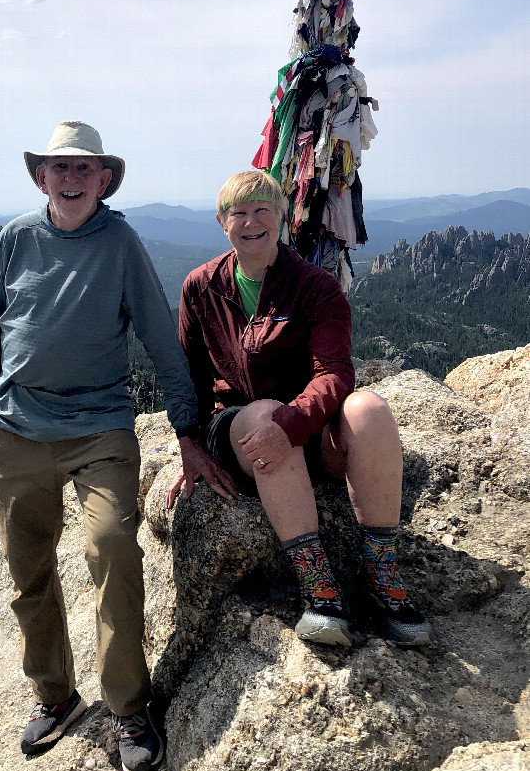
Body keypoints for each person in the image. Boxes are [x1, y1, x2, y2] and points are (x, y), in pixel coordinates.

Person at [0, 120, 233, 771]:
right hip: (16, 430)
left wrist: (188, 433)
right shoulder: (14, 240)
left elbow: (160, 339)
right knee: (27, 572)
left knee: (112, 546)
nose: (71, 177)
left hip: (99, 429)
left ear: (104, 179)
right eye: (60, 167)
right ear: (41, 177)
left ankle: (128, 707)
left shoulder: (119, 242)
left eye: (84, 168)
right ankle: (54, 697)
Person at [166, 169, 431, 648]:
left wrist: (292, 424)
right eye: (239, 213)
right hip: (239, 428)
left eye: (263, 210)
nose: (251, 222)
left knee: (369, 409)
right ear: (222, 222)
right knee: (263, 412)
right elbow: (187, 378)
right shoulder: (200, 287)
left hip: (302, 426)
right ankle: (319, 591)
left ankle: (382, 575)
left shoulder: (313, 285)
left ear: (283, 218)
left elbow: (334, 372)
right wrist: (189, 446)